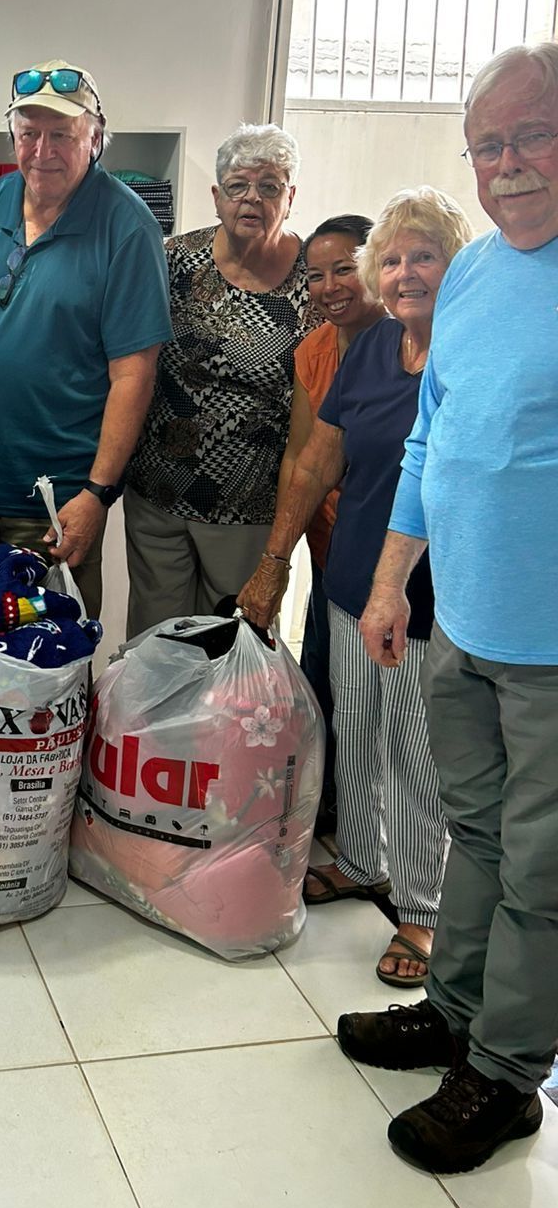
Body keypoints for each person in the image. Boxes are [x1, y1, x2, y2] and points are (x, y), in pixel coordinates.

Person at [337, 41, 558, 1175]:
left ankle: (508, 1074)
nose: (509, 164)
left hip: (554, 650)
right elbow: (430, 438)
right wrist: (390, 584)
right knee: (477, 834)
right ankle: (459, 1010)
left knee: (543, 866)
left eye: (533, 136)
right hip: (462, 620)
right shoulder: (474, 276)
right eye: (488, 144)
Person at [238, 187, 474, 986]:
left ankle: (422, 911)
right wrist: (275, 561)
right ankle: (365, 860)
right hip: (351, 583)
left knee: (415, 753)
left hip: (426, 597)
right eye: (396, 259)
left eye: (425, 256)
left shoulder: (468, 353)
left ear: (456, 263)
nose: (407, 273)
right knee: (361, 733)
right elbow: (318, 460)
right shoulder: (371, 351)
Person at [0, 60, 171, 618]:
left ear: (96, 138)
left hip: (53, 503)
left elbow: (133, 375)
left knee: (47, 675)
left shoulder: (127, 228)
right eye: (29, 133)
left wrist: (97, 493)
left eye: (62, 134)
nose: (43, 151)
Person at [125, 123, 317, 635]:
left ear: (290, 196)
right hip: (157, 497)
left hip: (248, 511)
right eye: (238, 185)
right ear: (217, 196)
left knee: (233, 660)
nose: (252, 198)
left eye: (270, 186)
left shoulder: (312, 281)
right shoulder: (171, 260)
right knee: (154, 648)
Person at [262, 215, 383, 826]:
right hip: (329, 544)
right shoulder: (314, 349)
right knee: (325, 683)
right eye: (316, 275)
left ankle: (387, 847)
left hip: (388, 557)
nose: (330, 285)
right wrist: (279, 557)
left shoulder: (410, 344)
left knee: (384, 707)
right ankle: (329, 816)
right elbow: (302, 457)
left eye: (346, 269)